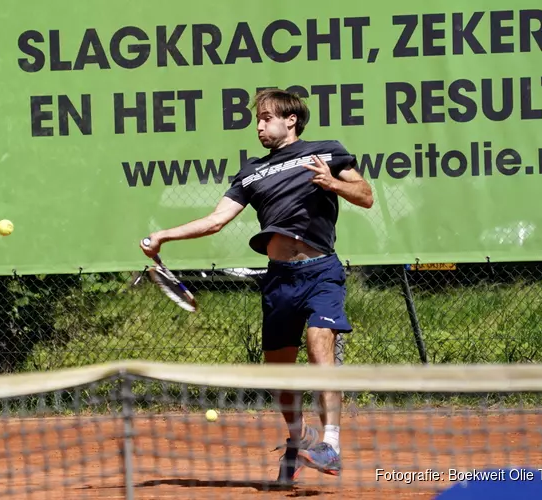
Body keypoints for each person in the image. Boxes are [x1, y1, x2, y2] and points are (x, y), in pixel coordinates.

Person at [139, 88, 373, 484]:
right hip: (279, 279)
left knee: (321, 343)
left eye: (266, 118)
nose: (259, 126)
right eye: (258, 119)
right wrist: (164, 235)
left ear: (291, 120)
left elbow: (365, 195)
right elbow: (215, 220)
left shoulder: (328, 152)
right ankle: (299, 442)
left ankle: (331, 444)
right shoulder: (251, 172)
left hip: (321, 272)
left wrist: (332, 183)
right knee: (279, 375)